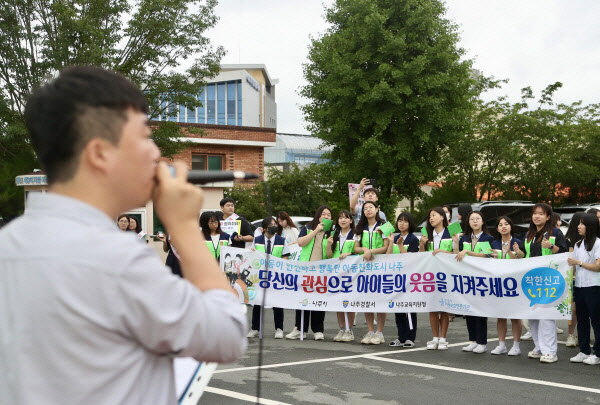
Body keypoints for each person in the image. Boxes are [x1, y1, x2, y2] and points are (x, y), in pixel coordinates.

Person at [0, 66, 247, 405]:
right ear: (99, 153)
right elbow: (226, 335)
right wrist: (185, 227)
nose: (156, 154)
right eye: (145, 136)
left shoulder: (8, 245)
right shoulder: (114, 257)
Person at [524, 203, 568, 363]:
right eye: (535, 213)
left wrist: (552, 246)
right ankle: (538, 346)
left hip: (549, 280)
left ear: (548, 217)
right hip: (531, 280)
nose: (537, 216)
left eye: (541, 214)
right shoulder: (529, 234)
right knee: (533, 315)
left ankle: (550, 351)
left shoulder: (555, 232)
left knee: (547, 315)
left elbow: (565, 253)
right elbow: (525, 255)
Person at [286, 205, 332, 340]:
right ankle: (300, 328)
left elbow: (331, 253)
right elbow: (300, 243)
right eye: (324, 214)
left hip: (322, 271)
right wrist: (316, 230)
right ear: (318, 216)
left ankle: (318, 329)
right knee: (302, 299)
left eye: (329, 215)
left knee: (319, 299)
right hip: (305, 269)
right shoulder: (307, 228)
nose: (326, 216)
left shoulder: (332, 231)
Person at [455, 211, 494, 354]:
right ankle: (473, 340)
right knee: (469, 310)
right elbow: (457, 254)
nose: (475, 221)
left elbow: (487, 255)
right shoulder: (464, 238)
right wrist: (456, 243)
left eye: (478, 219)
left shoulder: (488, 238)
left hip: (482, 279)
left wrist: (468, 252)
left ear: (483, 221)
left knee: (480, 311)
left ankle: (482, 342)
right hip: (467, 278)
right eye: (472, 219)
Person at [354, 201, 390, 345]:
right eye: (365, 208)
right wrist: (364, 250)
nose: (368, 210)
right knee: (366, 300)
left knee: (380, 300)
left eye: (370, 207)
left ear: (377, 209)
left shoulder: (385, 226)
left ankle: (379, 332)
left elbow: (387, 246)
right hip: (365, 268)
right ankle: (370, 331)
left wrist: (371, 251)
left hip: (380, 267)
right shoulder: (359, 227)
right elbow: (356, 248)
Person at [247, 216, 289, 339]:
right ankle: (255, 328)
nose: (274, 227)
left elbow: (285, 256)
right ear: (265, 228)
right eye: (271, 225)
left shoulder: (282, 240)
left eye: (275, 224)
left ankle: (279, 328)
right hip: (260, 275)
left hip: (276, 275)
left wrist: (278, 266)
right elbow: (253, 254)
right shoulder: (258, 239)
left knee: (277, 302)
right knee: (257, 302)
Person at [567, 214, 600, 365]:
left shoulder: (598, 243)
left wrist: (578, 262)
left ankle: (598, 353)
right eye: (578, 224)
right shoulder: (578, 243)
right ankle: (584, 350)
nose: (578, 227)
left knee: (596, 320)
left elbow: (598, 267)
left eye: (582, 224)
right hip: (579, 286)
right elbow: (573, 267)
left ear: (590, 226)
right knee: (582, 320)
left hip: (593, 286)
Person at [489, 216, 524, 356]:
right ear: (497, 228)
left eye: (506, 224)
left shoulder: (518, 242)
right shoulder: (494, 242)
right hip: (499, 283)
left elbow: (522, 259)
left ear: (511, 226)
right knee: (501, 315)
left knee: (515, 316)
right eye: (500, 224)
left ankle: (516, 345)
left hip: (514, 283)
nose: (503, 226)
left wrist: (510, 251)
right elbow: (489, 262)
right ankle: (501, 344)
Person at [420, 207, 454, 350]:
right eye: (429, 216)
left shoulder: (451, 232)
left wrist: (442, 251)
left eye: (434, 215)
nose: (431, 218)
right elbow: (421, 255)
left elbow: (455, 253)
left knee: (444, 307)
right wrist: (422, 244)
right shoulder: (426, 233)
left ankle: (443, 338)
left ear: (442, 217)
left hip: (446, 275)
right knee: (433, 307)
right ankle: (435, 337)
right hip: (431, 275)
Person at [386, 212, 420, 348]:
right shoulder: (394, 237)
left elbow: (411, 260)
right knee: (398, 308)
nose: (402, 223)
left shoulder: (413, 239)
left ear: (410, 224)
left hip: (409, 279)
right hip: (395, 278)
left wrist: (400, 246)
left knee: (409, 308)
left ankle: (410, 337)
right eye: (400, 220)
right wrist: (390, 242)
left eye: (405, 221)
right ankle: (401, 336)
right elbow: (387, 257)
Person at [326, 210, 356, 342]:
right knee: (338, 303)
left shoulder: (355, 234)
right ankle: (342, 328)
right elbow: (329, 255)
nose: (343, 220)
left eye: (346, 218)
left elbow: (358, 251)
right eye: (340, 218)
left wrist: (349, 253)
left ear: (351, 220)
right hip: (336, 273)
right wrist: (328, 245)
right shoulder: (334, 234)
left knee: (348, 302)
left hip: (351, 273)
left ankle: (349, 330)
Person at [564, 211, 585, 347]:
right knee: (572, 309)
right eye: (581, 223)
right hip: (571, 278)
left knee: (583, 309)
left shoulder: (593, 240)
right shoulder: (568, 241)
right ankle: (571, 335)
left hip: (586, 278)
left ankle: (580, 335)